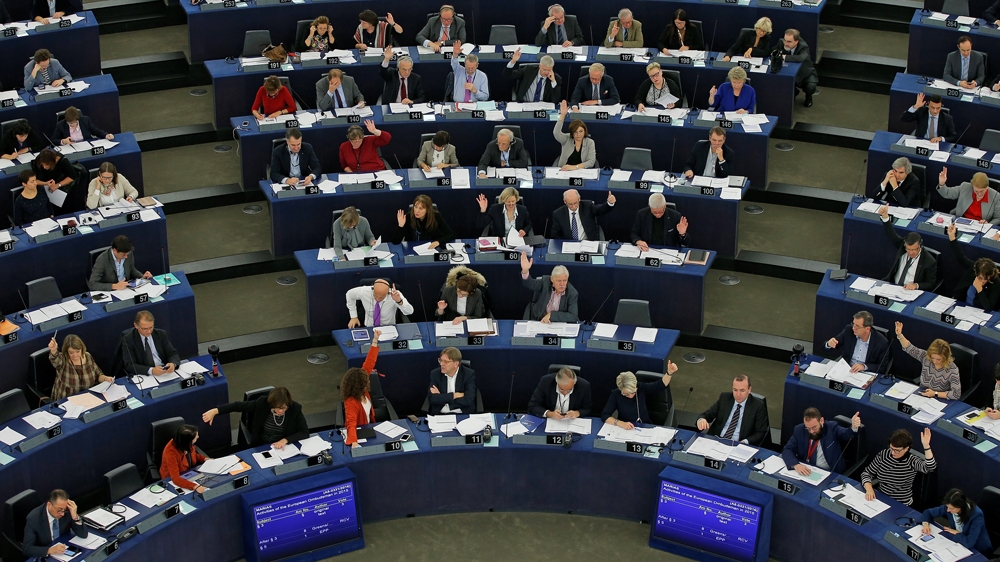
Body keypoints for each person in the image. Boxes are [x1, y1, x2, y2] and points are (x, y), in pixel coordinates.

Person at [203, 387, 309, 449]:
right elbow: (238, 406)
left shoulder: (295, 408)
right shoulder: (262, 403)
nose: (281, 411)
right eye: (278, 408)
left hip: (283, 447)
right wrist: (216, 411)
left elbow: (304, 432)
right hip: (262, 445)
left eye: (284, 408)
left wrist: (285, 440)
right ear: (272, 404)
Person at [861, 428, 936, 505]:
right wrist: (869, 488)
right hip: (881, 497)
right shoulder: (884, 454)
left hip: (901, 503)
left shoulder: (911, 460)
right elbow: (867, 473)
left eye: (897, 450)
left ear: (906, 448)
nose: (893, 453)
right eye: (891, 448)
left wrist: (926, 446)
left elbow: (930, 467)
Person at [782, 408, 861, 475]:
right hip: (806, 469)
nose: (812, 431)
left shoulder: (831, 427)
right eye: (808, 428)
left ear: (822, 420)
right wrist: (796, 465)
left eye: (814, 427)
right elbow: (787, 449)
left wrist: (853, 427)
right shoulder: (799, 430)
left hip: (829, 472)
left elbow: (846, 434)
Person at [895, 322, 961, 400]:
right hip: (921, 394)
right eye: (933, 358)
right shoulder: (926, 357)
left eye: (938, 359)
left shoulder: (952, 369)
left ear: (945, 357)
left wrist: (935, 394)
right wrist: (900, 335)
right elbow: (910, 348)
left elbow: (956, 394)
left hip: (939, 399)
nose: (935, 361)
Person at [878, 205, 938, 290]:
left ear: (920, 246)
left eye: (914, 250)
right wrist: (885, 217)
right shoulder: (902, 246)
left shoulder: (929, 261)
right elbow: (891, 234)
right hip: (893, 286)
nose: (910, 252)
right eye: (908, 249)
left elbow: (931, 284)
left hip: (910, 291)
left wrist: (916, 285)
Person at [697, 375, 770, 445]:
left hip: (737, 444)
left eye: (742, 390)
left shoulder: (758, 406)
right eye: (735, 390)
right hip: (716, 440)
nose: (738, 394)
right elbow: (707, 415)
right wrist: (701, 420)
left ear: (749, 390)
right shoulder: (724, 398)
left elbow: (760, 432)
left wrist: (744, 442)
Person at [602, 363, 677, 428]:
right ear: (620, 389)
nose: (631, 396)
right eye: (626, 394)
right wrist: (621, 423)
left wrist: (669, 373)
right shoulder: (616, 395)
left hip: (645, 426)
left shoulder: (641, 388)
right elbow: (605, 415)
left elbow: (660, 385)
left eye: (633, 392)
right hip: (625, 428)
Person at [922, 489, 993, 556]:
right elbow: (928, 512)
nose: (948, 510)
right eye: (947, 507)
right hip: (960, 543)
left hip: (978, 549)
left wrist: (957, 533)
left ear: (960, 507)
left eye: (951, 508)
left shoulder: (976, 515)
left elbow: (969, 543)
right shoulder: (949, 506)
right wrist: (926, 524)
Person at [947, 223, 1000, 311]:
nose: (982, 281)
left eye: (985, 279)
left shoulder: (996, 282)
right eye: (980, 277)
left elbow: (989, 307)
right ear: (976, 272)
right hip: (962, 305)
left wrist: (980, 289)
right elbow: (960, 258)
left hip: (979, 311)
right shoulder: (973, 267)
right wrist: (952, 237)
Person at [342, 330, 382, 447]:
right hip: (361, 435)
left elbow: (370, 362)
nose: (368, 381)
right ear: (359, 385)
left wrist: (375, 339)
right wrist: (354, 442)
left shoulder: (362, 390)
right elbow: (351, 423)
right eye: (366, 382)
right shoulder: (351, 402)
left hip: (370, 428)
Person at [22, 489, 86, 558]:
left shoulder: (67, 511)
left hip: (64, 547)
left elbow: (83, 534)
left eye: (64, 510)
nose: (62, 514)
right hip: (46, 554)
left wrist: (75, 517)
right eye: (59, 510)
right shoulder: (33, 519)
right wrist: (50, 550)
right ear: (49, 504)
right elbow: (27, 549)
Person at [47, 334, 112, 401]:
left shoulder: (88, 356)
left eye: (77, 351)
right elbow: (55, 359)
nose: (75, 355)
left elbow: (98, 375)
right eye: (71, 352)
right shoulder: (63, 360)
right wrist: (53, 350)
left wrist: (105, 378)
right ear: (66, 352)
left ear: (82, 349)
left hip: (88, 399)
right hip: (66, 401)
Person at [825, 310, 890, 373]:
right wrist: (829, 344)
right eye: (853, 324)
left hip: (866, 373)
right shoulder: (849, 331)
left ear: (867, 329)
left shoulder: (881, 342)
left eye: (857, 326)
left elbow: (882, 367)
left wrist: (864, 366)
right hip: (846, 369)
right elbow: (831, 345)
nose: (853, 328)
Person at [520, 254, 579, 323]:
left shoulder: (572, 293)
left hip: (557, 323)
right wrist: (525, 271)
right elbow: (530, 284)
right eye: (559, 281)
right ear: (552, 279)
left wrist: (552, 315)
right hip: (538, 319)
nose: (562, 284)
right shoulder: (545, 282)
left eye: (564, 280)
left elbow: (573, 316)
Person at [121, 310, 181, 376]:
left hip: (164, 371)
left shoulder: (161, 334)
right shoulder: (128, 340)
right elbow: (129, 365)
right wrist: (151, 370)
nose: (149, 331)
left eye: (151, 327)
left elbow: (172, 353)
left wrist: (173, 363)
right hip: (146, 374)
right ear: (136, 325)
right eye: (145, 329)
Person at [88, 235, 152, 291]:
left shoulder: (128, 253)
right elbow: (92, 284)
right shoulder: (102, 260)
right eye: (123, 255)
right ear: (115, 250)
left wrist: (142, 277)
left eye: (127, 254)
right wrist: (115, 286)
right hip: (111, 291)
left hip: (126, 288)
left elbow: (131, 269)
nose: (126, 257)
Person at [160, 425, 210, 493]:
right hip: (174, 479)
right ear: (188, 441)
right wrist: (195, 487)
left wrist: (205, 459)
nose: (198, 437)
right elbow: (176, 479)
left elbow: (194, 455)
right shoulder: (170, 452)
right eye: (196, 437)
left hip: (190, 473)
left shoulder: (185, 443)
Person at [550, 188, 615, 240]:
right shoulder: (558, 214)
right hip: (569, 245)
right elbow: (555, 234)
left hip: (588, 243)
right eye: (570, 204)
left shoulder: (588, 206)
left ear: (579, 199)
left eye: (575, 203)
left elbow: (601, 210)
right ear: (565, 201)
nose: (573, 206)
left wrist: (609, 203)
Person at [776, 29, 818, 107]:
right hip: (790, 72)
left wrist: (785, 57)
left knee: (810, 87)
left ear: (796, 41)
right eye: (785, 40)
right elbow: (774, 51)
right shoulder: (781, 42)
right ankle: (794, 92)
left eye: (789, 42)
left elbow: (801, 58)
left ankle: (808, 97)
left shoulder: (804, 47)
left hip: (805, 74)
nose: (785, 43)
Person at [529, 367, 593, 419]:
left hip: (572, 423)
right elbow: (533, 406)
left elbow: (587, 409)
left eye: (569, 389)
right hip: (550, 422)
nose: (565, 392)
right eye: (561, 389)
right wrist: (550, 414)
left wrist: (577, 413)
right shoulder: (546, 382)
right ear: (557, 382)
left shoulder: (584, 386)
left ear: (574, 383)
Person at [346, 279, 413, 328]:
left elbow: (409, 311)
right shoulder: (364, 291)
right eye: (375, 295)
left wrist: (399, 301)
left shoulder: (395, 295)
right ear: (373, 289)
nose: (377, 299)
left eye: (381, 297)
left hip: (388, 328)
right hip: (369, 327)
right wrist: (353, 316)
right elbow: (349, 295)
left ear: (388, 293)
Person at [427, 347, 476, 414]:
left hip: (462, 412)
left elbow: (468, 400)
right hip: (440, 413)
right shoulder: (435, 374)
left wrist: (442, 397)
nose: (441, 364)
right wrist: (454, 395)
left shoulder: (468, 374)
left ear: (456, 364)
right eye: (440, 360)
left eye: (446, 362)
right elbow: (432, 399)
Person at [553, 101, 596, 170]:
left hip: (581, 171)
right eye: (575, 132)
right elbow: (556, 133)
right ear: (572, 133)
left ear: (585, 131)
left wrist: (574, 167)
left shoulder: (590, 142)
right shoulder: (566, 139)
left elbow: (591, 162)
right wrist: (563, 115)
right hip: (565, 170)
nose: (578, 134)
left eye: (581, 131)